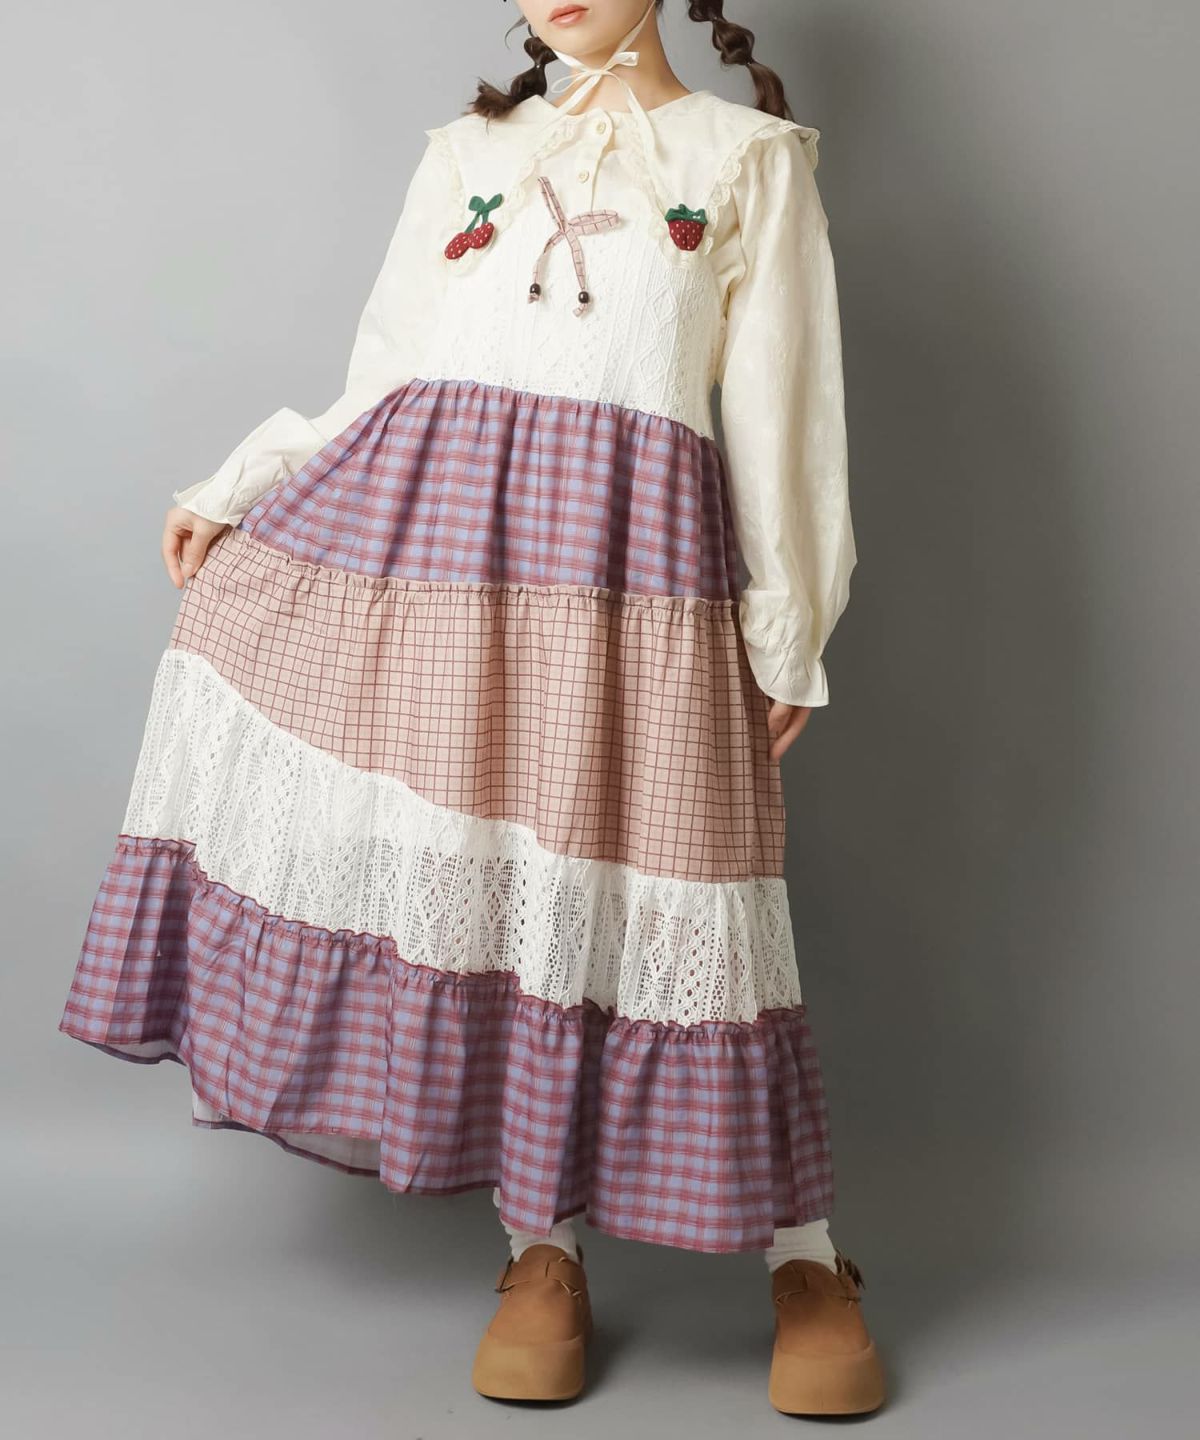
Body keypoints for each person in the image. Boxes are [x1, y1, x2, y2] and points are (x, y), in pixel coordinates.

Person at [57, 0, 881, 1416]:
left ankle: (804, 1256)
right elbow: (390, 374)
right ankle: (539, 1245)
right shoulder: (469, 153)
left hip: (634, 580)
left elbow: (782, 411)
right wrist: (245, 483)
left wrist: (785, 627)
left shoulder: (745, 159)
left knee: (695, 895)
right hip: (449, 563)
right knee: (501, 890)